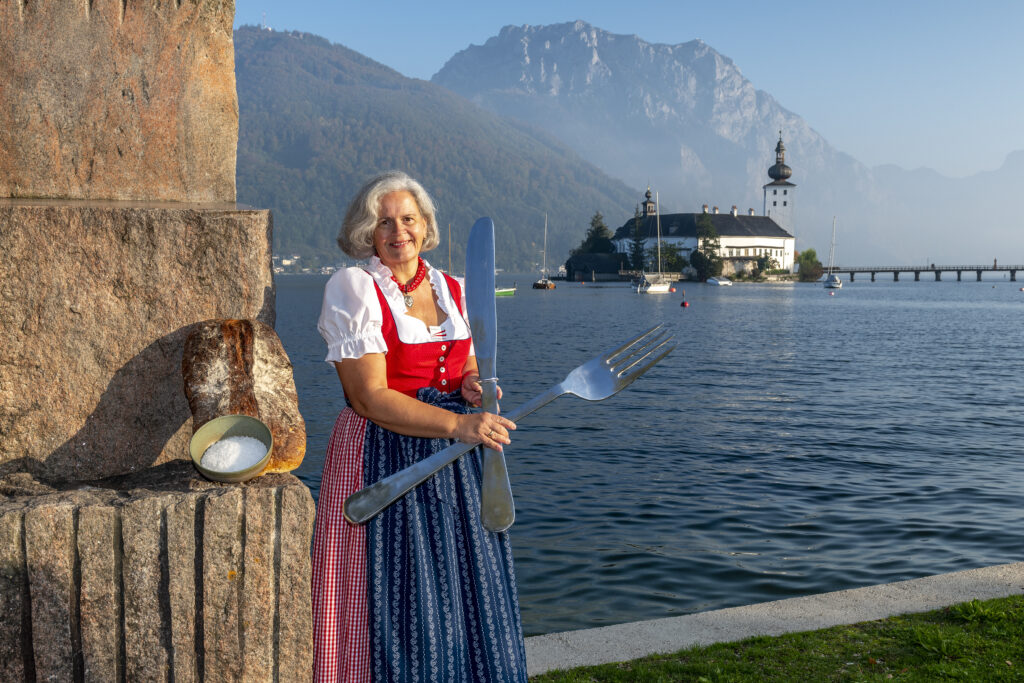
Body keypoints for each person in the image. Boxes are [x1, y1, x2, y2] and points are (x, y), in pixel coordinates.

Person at [311, 171, 527, 682]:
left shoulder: (453, 288)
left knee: (461, 582)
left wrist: (475, 387)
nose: (398, 231)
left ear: (425, 225)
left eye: (408, 219)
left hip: (456, 455)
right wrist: (458, 422)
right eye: (384, 222)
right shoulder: (353, 288)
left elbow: (469, 366)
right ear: (367, 233)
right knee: (400, 587)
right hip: (385, 451)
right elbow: (368, 397)